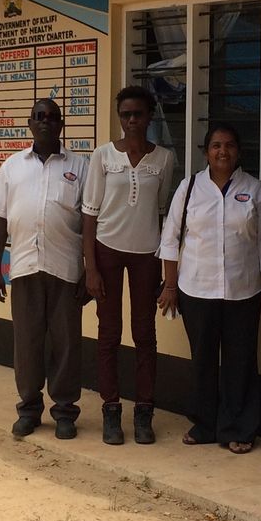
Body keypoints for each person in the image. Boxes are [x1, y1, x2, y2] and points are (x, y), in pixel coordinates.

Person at [157, 124, 261, 453]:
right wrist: (170, 286)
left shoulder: (254, 189)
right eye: (216, 145)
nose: (223, 151)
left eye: (230, 145)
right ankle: (205, 424)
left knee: (241, 361)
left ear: (239, 151)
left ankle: (239, 428)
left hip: (243, 290)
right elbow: (170, 238)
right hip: (196, 289)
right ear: (206, 151)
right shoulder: (190, 187)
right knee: (203, 359)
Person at [0, 98, 89, 440]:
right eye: (39, 116)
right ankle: (29, 409)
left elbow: (91, 222)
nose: (45, 121)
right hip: (25, 268)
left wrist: (89, 270)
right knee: (27, 343)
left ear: (61, 124)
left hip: (66, 270)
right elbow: (0, 220)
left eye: (52, 117)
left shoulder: (80, 166)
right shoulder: (12, 166)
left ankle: (65, 412)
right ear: (30, 124)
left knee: (66, 344)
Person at [81, 86, 176, 445]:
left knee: (144, 335)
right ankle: (111, 410)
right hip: (107, 250)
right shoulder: (103, 156)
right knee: (109, 333)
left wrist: (165, 270)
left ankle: (144, 413)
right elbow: (89, 214)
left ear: (150, 116)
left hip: (146, 255)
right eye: (126, 114)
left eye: (138, 114)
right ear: (119, 117)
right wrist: (90, 268)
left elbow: (162, 211)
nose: (132, 120)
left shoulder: (164, 159)